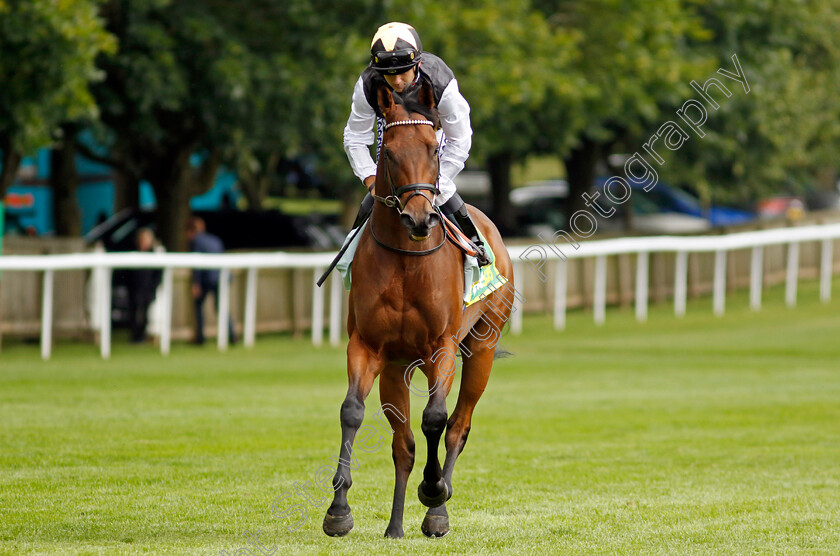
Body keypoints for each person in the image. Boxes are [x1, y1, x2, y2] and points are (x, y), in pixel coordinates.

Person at [343, 21, 490, 265]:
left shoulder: (442, 82)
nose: (397, 81)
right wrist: (370, 180)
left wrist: (438, 184)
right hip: (392, 148)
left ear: (418, 64)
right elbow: (355, 137)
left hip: (432, 146)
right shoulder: (368, 83)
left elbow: (460, 139)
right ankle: (348, 259)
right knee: (366, 212)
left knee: (444, 195)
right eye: (389, 75)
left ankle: (478, 251)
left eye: (403, 72)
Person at [186, 216, 236, 345]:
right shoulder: (215, 239)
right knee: (221, 307)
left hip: (208, 279)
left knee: (198, 306)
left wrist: (196, 283)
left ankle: (200, 337)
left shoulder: (196, 241)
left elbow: (197, 263)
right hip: (222, 277)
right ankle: (232, 335)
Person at [125, 227, 162, 343]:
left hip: (147, 290)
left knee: (145, 314)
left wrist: (153, 287)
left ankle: (141, 336)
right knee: (133, 313)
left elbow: (158, 274)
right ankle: (134, 336)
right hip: (134, 289)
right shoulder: (133, 252)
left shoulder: (155, 255)